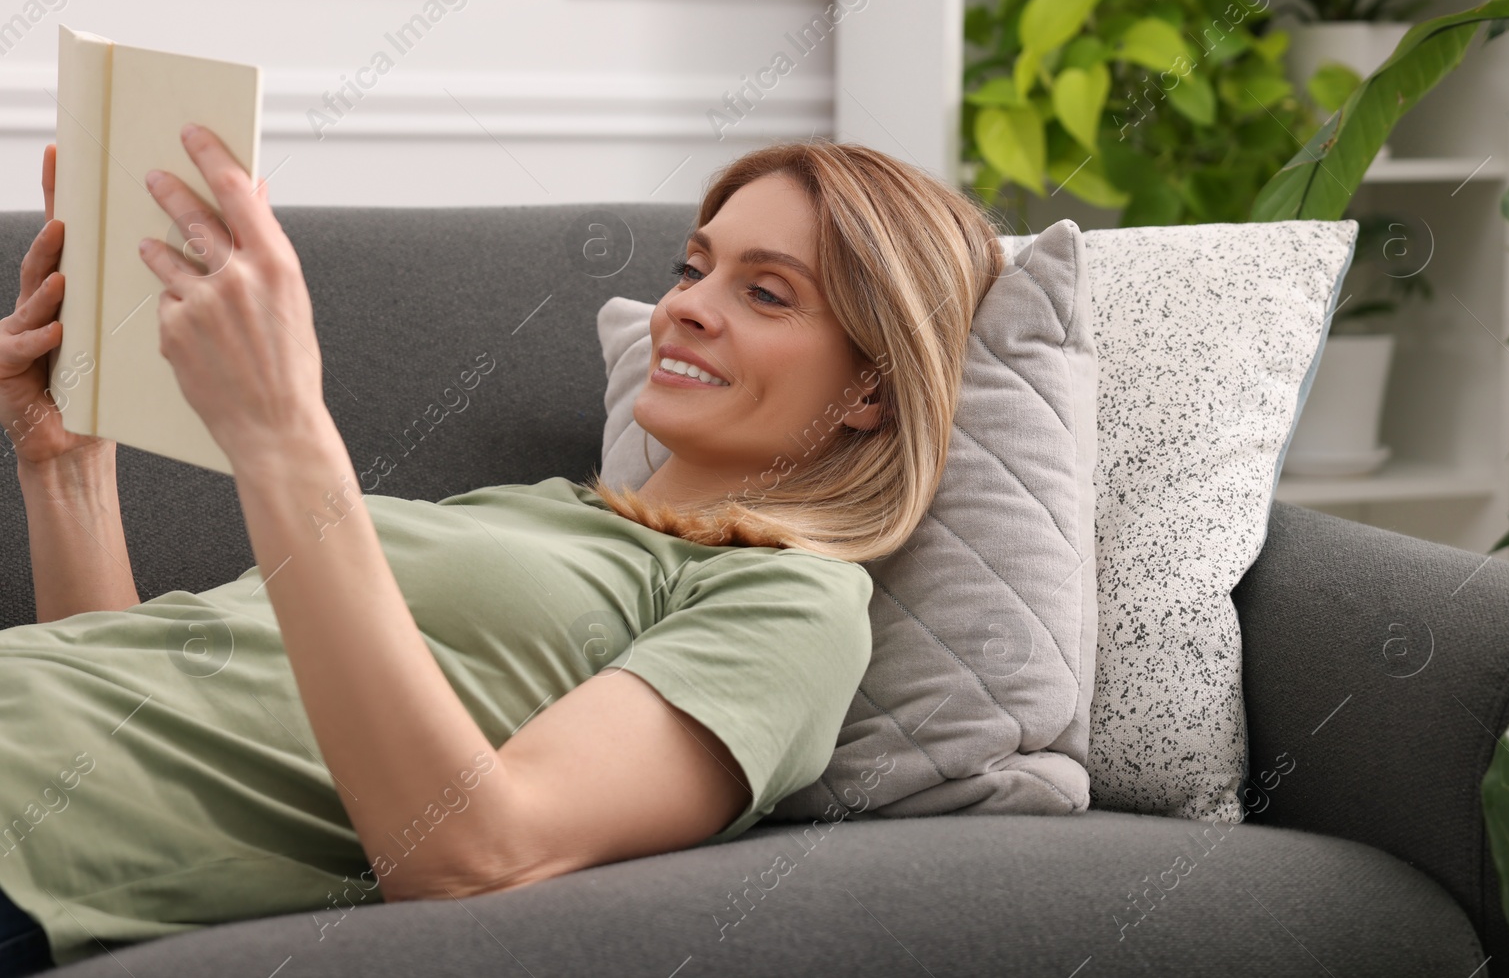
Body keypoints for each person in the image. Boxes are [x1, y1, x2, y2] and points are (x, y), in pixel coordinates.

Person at [0, 132, 1005, 972]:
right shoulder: (537, 512)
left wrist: (280, 429)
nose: (689, 306)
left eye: (769, 294)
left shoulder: (795, 600)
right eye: (694, 267)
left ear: (871, 388)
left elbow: (476, 852)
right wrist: (66, 470)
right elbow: (126, 688)